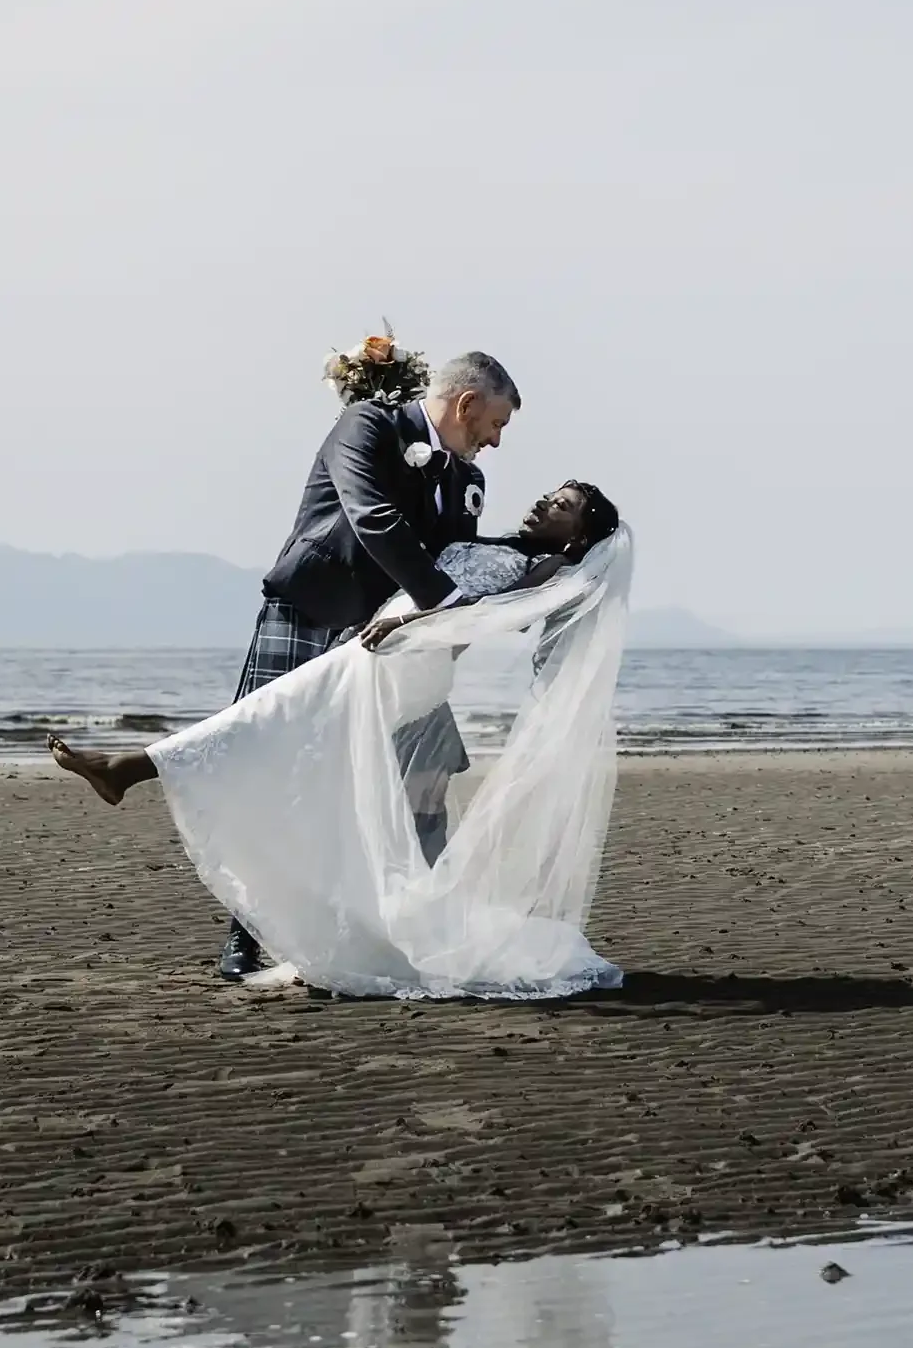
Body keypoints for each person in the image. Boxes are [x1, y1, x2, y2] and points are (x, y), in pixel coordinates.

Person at [48, 484, 631, 1003]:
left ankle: (131, 767)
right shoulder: (500, 541)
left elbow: (489, 615)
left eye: (562, 505)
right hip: (385, 647)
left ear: (580, 536)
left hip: (410, 658)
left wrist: (406, 626)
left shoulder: (552, 567)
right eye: (550, 495)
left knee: (277, 714)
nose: (542, 503)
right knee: (289, 731)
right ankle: (144, 773)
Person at [218, 338, 522, 983]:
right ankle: (245, 935)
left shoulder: (468, 480)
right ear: (467, 404)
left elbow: (456, 558)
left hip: (396, 640)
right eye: (495, 424)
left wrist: (537, 563)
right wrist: (446, 604)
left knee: (425, 775)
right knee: (276, 767)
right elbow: (373, 519)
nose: (495, 442)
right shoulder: (368, 425)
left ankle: (430, 929)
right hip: (309, 613)